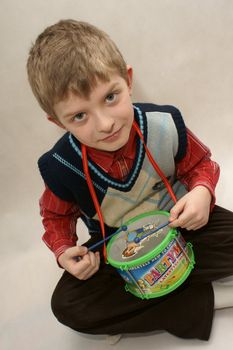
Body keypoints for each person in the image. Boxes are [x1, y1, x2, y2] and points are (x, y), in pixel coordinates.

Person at [27, 19, 233, 344]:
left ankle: (152, 300)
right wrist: (64, 249)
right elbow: (55, 216)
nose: (105, 124)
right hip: (119, 255)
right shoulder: (61, 166)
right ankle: (208, 298)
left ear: (128, 80)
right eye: (80, 116)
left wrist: (201, 193)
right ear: (57, 121)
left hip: (179, 226)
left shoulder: (163, 123)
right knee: (69, 307)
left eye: (111, 97)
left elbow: (200, 164)